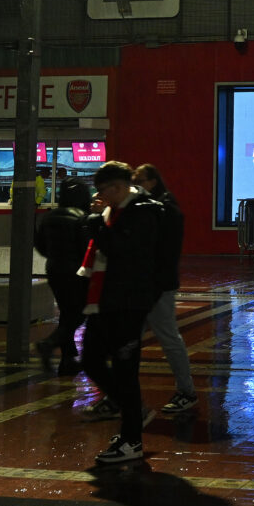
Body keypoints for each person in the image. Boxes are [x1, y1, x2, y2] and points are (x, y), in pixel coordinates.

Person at [78, 162, 164, 466]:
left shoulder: (144, 212)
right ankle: (133, 416)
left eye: (104, 190)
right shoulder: (112, 212)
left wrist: (96, 227)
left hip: (128, 302)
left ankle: (131, 439)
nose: (100, 197)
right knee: (90, 359)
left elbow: (122, 251)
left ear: (118, 187)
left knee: (126, 372)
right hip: (104, 300)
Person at [134, 164, 198, 414]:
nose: (135, 184)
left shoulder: (164, 208)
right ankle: (121, 394)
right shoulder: (151, 207)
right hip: (145, 284)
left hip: (158, 285)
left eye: (138, 179)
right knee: (131, 341)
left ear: (151, 181)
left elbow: (161, 249)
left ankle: (187, 391)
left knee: (168, 339)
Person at [35, 179, 95, 375]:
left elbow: (40, 245)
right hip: (76, 272)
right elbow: (86, 248)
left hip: (53, 269)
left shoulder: (49, 217)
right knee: (79, 314)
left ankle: (67, 360)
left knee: (67, 313)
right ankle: (50, 343)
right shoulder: (82, 218)